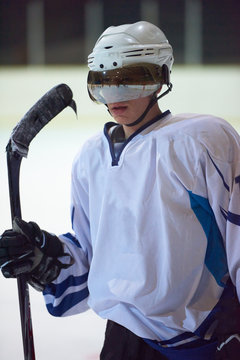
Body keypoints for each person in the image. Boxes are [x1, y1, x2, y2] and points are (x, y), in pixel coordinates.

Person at [0, 21, 240, 360]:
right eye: (102, 83)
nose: (115, 96)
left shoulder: (203, 142)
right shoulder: (90, 158)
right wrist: (47, 259)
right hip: (122, 342)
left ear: (160, 78)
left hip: (203, 342)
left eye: (130, 80)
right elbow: (93, 263)